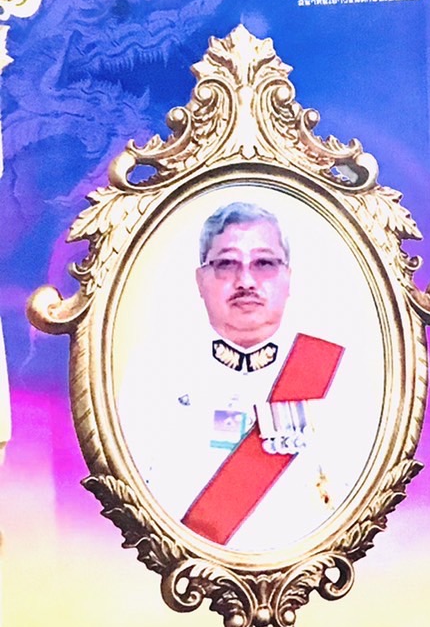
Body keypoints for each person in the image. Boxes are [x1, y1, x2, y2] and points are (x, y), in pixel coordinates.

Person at [121, 201, 359, 553]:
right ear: (200, 280)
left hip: (307, 571)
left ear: (288, 278)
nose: (246, 281)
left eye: (264, 263)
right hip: (180, 574)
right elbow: (128, 499)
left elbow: (357, 501)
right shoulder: (155, 369)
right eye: (226, 264)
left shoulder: (339, 372)